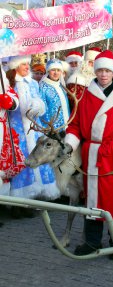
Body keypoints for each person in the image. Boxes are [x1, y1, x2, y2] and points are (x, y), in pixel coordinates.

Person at [64, 50, 113, 256]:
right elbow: (76, 124)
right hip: (92, 155)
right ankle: (92, 241)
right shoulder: (86, 96)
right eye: (100, 71)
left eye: (107, 70)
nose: (104, 75)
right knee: (92, 200)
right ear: (95, 72)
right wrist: (69, 144)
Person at [6, 55, 60, 200]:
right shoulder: (8, 83)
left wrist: (37, 105)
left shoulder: (33, 83)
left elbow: (42, 106)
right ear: (15, 66)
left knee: (39, 158)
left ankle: (39, 194)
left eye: (27, 64)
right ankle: (20, 198)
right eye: (23, 64)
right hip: (18, 131)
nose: (27, 67)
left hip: (35, 129)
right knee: (21, 162)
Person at [0, 64, 25, 195]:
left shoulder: (3, 84)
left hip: (3, 130)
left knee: (4, 165)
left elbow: (15, 99)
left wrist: (10, 101)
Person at [39, 59, 70, 129]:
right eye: (53, 70)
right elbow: (43, 111)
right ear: (48, 71)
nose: (56, 73)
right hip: (53, 130)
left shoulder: (61, 86)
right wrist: (48, 128)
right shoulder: (43, 88)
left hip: (66, 126)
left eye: (58, 70)